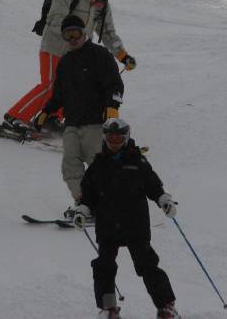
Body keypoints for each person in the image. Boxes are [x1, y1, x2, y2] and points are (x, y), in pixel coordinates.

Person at [3, 0, 136, 133]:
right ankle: (15, 117)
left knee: (69, 87)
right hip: (54, 48)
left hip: (76, 53)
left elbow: (107, 33)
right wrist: (75, 34)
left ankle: (52, 118)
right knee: (50, 85)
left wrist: (122, 56)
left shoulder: (101, 4)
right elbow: (54, 19)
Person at [73, 119, 181, 319]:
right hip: (107, 225)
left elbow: (153, 185)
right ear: (104, 138)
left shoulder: (138, 162)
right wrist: (82, 210)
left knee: (147, 264)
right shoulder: (98, 165)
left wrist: (164, 200)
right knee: (104, 266)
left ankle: (166, 306)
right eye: (110, 138)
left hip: (135, 224)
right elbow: (88, 194)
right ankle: (108, 308)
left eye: (118, 138)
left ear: (126, 138)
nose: (114, 142)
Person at [33, 14, 125, 205]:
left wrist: (112, 106)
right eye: (67, 35)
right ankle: (84, 204)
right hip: (72, 124)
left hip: (95, 124)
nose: (72, 39)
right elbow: (58, 95)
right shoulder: (65, 62)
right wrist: (46, 112)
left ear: (84, 33)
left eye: (75, 33)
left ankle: (109, 205)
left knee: (99, 167)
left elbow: (115, 84)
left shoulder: (100, 55)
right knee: (70, 166)